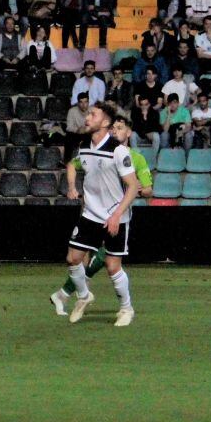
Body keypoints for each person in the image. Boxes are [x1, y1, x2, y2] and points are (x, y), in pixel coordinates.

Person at [51, 114, 152, 316]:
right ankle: (69, 294)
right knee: (84, 258)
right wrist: (72, 187)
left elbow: (148, 189)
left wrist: (138, 189)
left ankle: (65, 294)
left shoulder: (135, 158)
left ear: (129, 132)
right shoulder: (97, 150)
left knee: (104, 260)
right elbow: (73, 164)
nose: (115, 130)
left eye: (120, 127)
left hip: (119, 214)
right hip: (94, 213)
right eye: (113, 127)